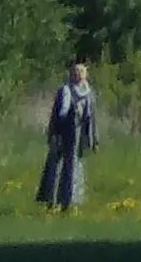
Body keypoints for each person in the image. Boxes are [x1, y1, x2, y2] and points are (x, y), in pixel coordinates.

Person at [37, 63, 98, 212]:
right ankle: (51, 202)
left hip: (78, 135)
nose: (78, 74)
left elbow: (92, 118)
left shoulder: (89, 93)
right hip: (62, 132)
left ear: (86, 74)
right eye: (75, 72)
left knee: (74, 168)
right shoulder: (65, 90)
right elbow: (56, 114)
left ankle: (69, 203)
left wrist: (94, 140)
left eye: (81, 72)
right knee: (55, 166)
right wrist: (52, 133)